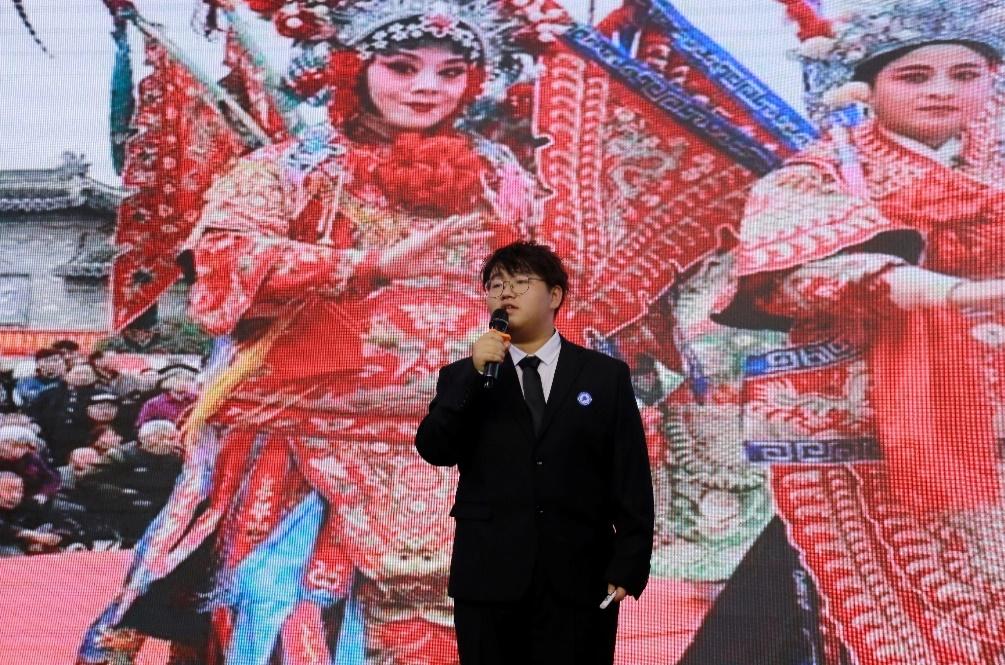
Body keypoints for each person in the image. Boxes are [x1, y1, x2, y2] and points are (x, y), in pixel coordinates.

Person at [79, 2, 546, 662]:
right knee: (290, 608)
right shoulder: (294, 166)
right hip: (306, 431)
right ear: (355, 68)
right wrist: (366, 266)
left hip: (456, 431)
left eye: (449, 73)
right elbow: (225, 258)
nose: (426, 87)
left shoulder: (501, 176)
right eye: (402, 67)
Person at [701, 3, 1005, 663]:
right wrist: (953, 291)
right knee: (847, 600)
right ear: (869, 87)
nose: (942, 91)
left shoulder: (995, 167)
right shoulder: (824, 171)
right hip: (866, 418)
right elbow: (790, 275)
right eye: (915, 76)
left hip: (989, 411)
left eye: (964, 74)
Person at [415, 241, 655, 665]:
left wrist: (630, 562)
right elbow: (435, 448)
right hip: (488, 577)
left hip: (580, 578)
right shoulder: (463, 376)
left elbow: (629, 473)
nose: (506, 293)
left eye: (521, 282)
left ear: (555, 295)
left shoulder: (604, 376)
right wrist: (471, 377)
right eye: (496, 285)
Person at [28, 363, 98, 465]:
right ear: (66, 375)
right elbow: (34, 413)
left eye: (87, 374)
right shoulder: (49, 393)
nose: (83, 377)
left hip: (86, 443)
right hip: (53, 442)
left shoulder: (100, 395)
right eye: (78, 373)